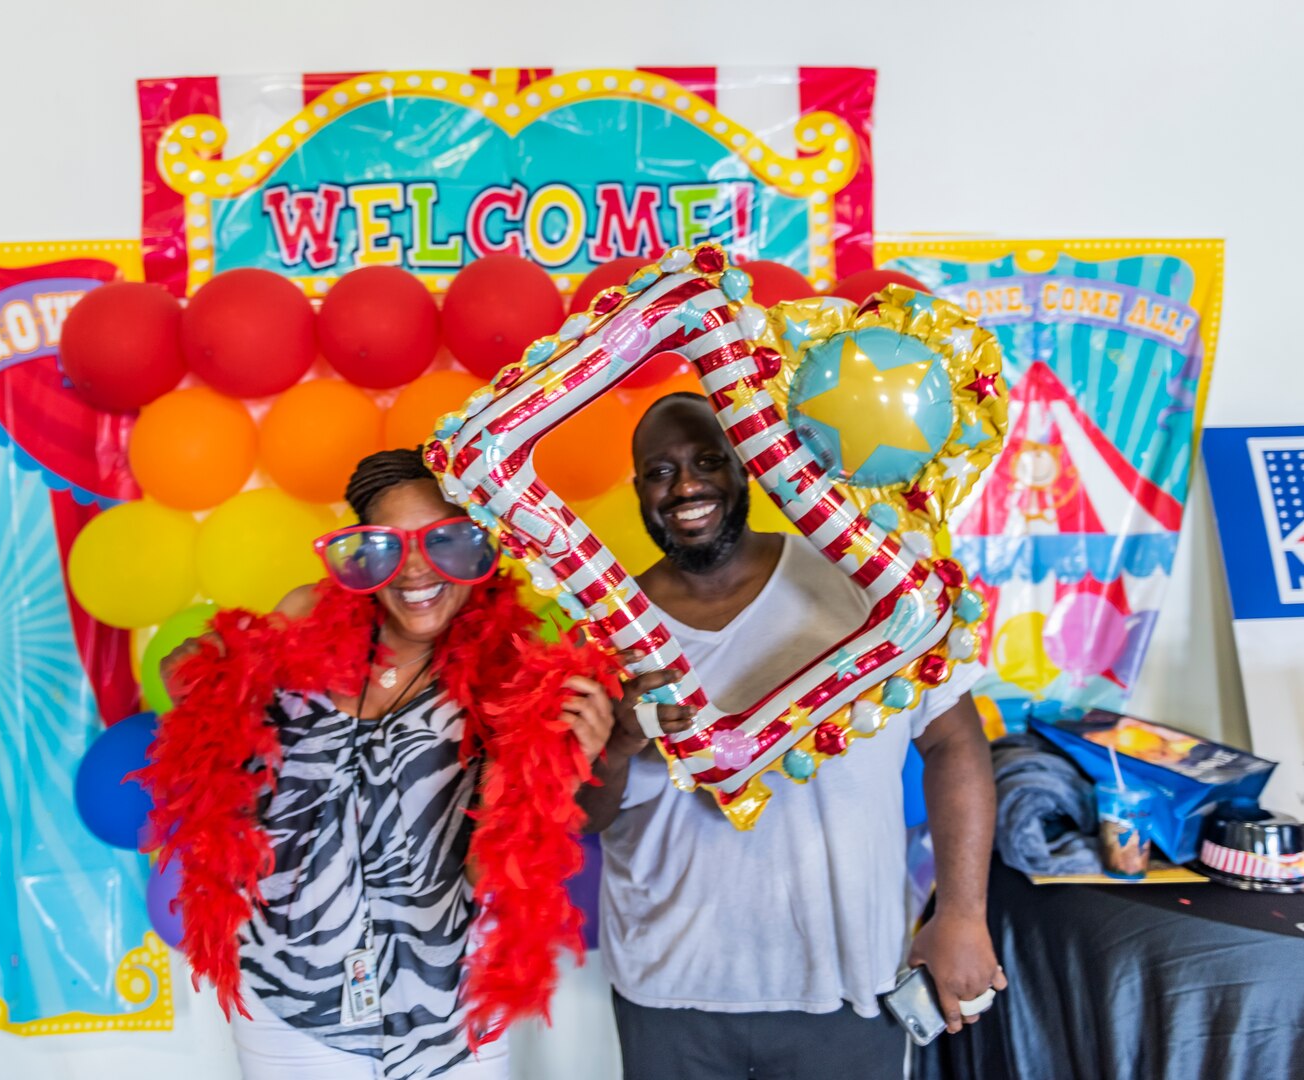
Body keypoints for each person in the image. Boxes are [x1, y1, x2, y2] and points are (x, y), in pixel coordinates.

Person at [141, 448, 619, 1080]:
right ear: (362, 555)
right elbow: (197, 698)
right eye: (391, 545)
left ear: (479, 547)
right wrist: (216, 673)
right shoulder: (304, 619)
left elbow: (489, 872)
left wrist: (557, 767)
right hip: (290, 996)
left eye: (445, 541)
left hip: (449, 1005)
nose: (418, 567)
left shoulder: (512, 666)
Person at [579, 394, 1005, 1079]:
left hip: (847, 984)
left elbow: (955, 744)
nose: (686, 485)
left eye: (708, 461)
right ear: (638, 491)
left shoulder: (866, 585)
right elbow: (582, 815)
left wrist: (962, 914)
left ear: (749, 470)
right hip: (669, 991)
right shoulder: (604, 632)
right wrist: (622, 741)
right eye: (660, 472)